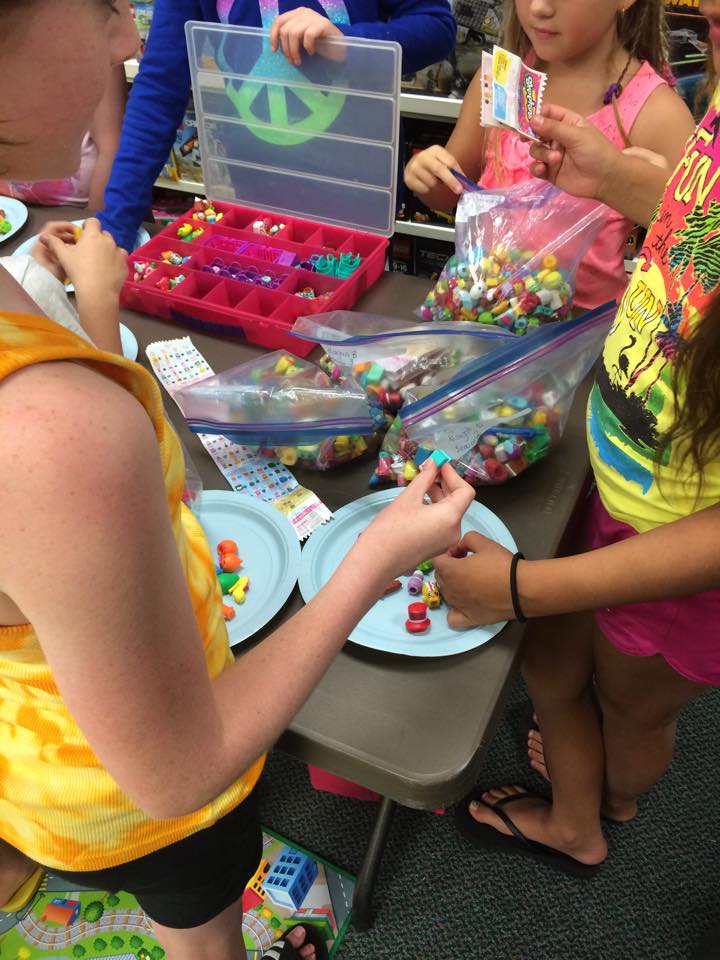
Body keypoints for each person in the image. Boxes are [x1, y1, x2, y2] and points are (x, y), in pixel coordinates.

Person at [0, 5, 476, 960]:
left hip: (35, 762)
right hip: (131, 800)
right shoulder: (56, 433)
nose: (126, 42)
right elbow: (181, 772)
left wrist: (96, 308)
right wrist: (371, 560)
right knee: (202, 931)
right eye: (100, 7)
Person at [430, 0, 720, 885]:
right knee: (570, 659)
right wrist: (631, 189)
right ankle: (585, 764)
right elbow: (700, 236)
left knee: (629, 704)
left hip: (672, 554)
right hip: (624, 474)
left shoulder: (658, 100)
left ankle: (605, 809)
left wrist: (526, 587)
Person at [404, 0, 695, 311]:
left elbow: (697, 250)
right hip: (484, 314)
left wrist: (643, 191)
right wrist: (427, 176)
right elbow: (449, 194)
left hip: (586, 336)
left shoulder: (658, 114)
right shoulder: (499, 83)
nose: (539, 8)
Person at [99, 0, 457, 252]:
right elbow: (160, 87)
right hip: (254, 184)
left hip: (358, 188)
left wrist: (349, 40)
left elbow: (437, 27)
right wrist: (113, 227)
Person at [0, 63, 128, 210]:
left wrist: (92, 219)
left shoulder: (92, 50)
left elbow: (111, 146)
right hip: (7, 206)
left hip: (73, 209)